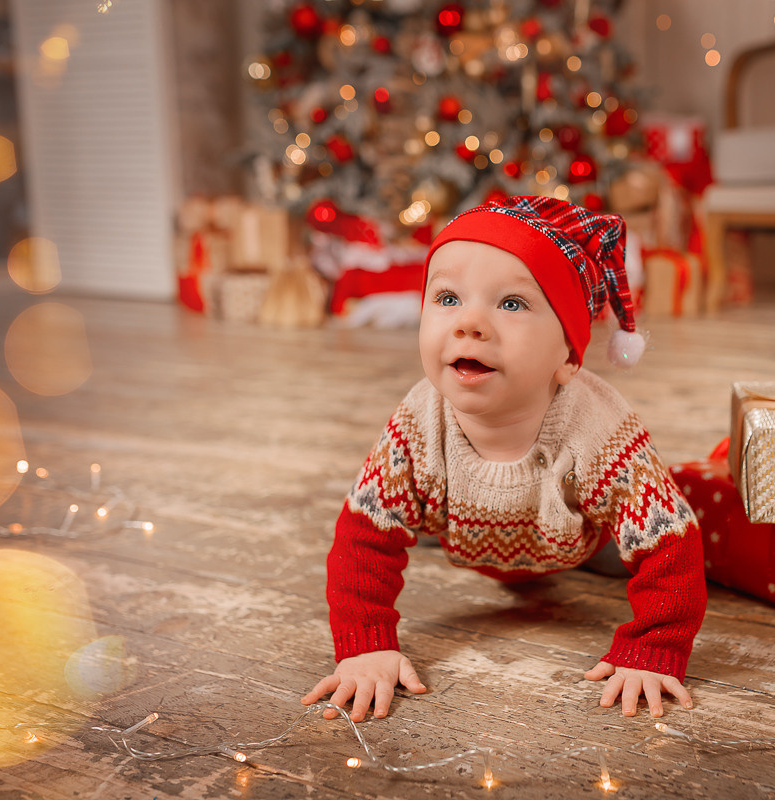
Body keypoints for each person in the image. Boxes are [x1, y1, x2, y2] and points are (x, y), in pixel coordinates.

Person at [302, 196, 706, 723]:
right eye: (447, 297)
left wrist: (655, 649)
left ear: (566, 357)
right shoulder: (419, 423)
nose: (470, 323)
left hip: (579, 533)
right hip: (459, 521)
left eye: (511, 304)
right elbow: (362, 541)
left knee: (670, 536)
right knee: (388, 513)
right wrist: (365, 644)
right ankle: (428, 518)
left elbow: (670, 544)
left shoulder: (599, 429)